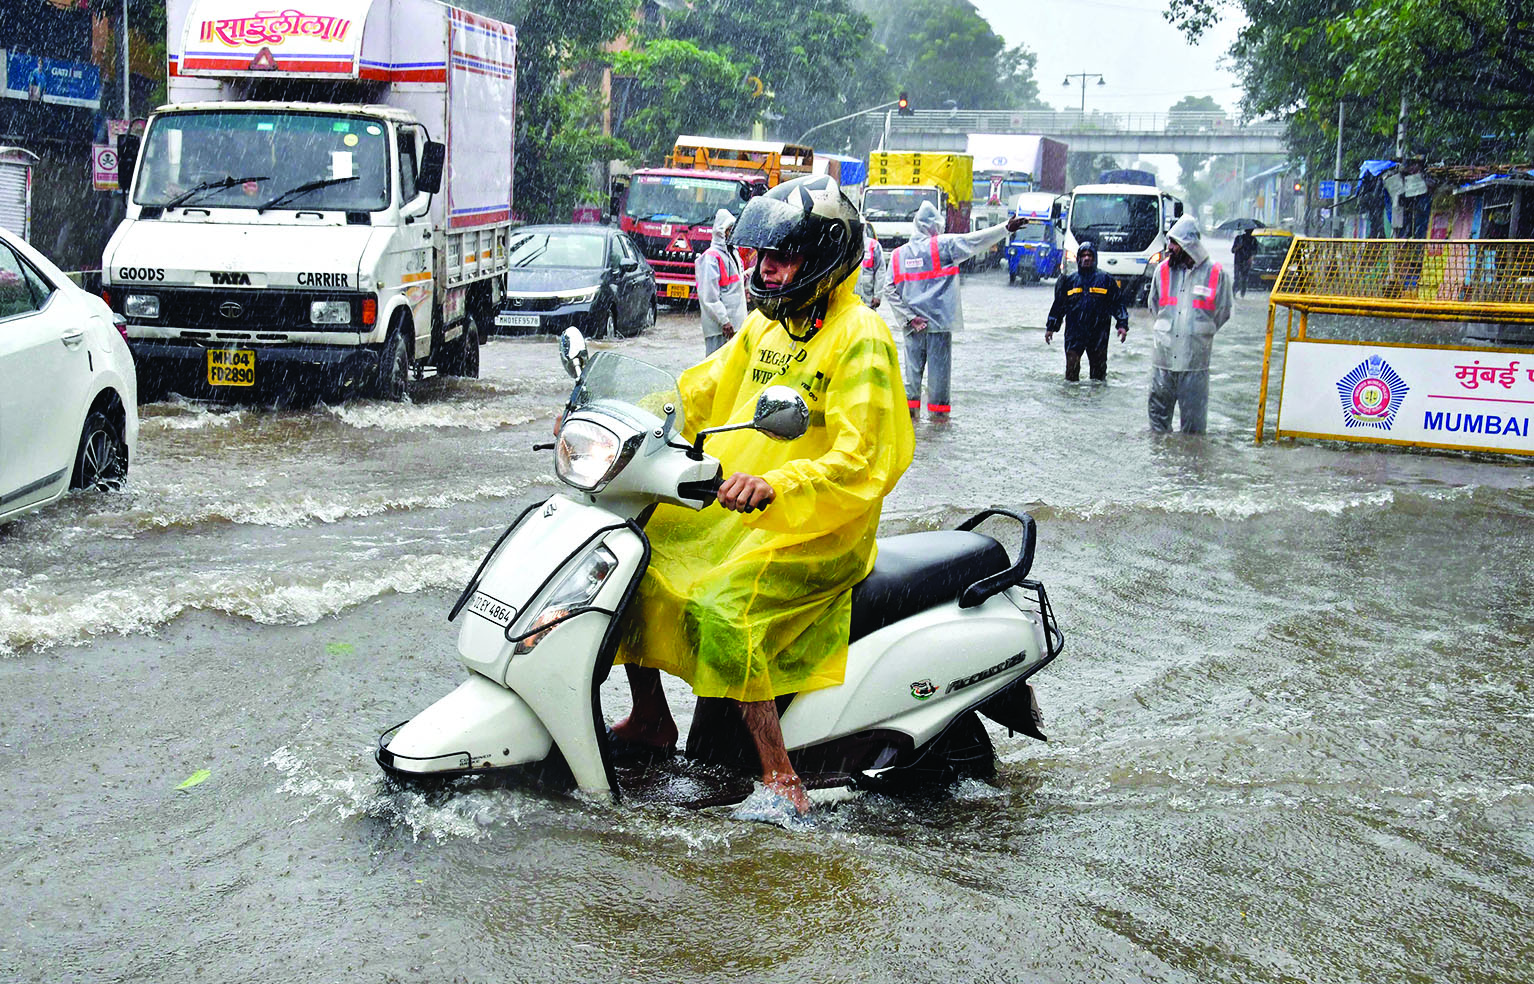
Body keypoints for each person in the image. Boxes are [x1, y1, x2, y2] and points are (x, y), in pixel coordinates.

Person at [609, 175, 915, 815]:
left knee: (726, 611)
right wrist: (613, 420)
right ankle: (650, 717)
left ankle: (780, 777)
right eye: (762, 256)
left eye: (782, 257)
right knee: (630, 560)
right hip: (737, 513)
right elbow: (695, 393)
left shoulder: (861, 336)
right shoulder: (763, 331)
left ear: (826, 256)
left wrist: (778, 483)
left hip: (819, 529)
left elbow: (865, 459)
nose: (766, 270)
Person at [882, 201, 1024, 417]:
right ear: (934, 226)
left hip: (913, 327)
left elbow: (889, 289)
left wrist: (910, 318)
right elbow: (975, 241)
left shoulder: (898, 255)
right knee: (939, 384)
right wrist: (1005, 228)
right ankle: (939, 431)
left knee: (911, 381)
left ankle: (912, 428)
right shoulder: (942, 246)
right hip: (938, 325)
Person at [1147, 215, 1232, 434]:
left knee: (1193, 431)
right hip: (1163, 361)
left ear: (1188, 245)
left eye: (1175, 243)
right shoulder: (1162, 271)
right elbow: (1154, 307)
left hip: (1195, 363)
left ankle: (1189, 467)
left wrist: (1198, 333)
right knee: (1157, 426)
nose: (1170, 248)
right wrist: (1169, 330)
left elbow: (1222, 312)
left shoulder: (1216, 273)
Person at [1043, 240, 1128, 381]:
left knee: (1098, 377)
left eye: (1090, 255)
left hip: (1098, 334)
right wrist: (1051, 327)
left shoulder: (1106, 280)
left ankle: (1095, 402)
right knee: (1071, 372)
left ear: (1095, 258)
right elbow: (1059, 306)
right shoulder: (1069, 281)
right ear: (1078, 259)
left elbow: (1118, 304)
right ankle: (1072, 401)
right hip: (1074, 333)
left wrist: (1122, 325)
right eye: (1083, 255)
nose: (1087, 258)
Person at [695, 208, 747, 355]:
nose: (731, 234)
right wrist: (724, 320)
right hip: (720, 328)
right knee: (715, 367)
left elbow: (735, 283)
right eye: (728, 230)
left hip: (735, 325)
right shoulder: (711, 257)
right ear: (720, 231)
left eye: (733, 230)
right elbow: (709, 296)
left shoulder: (733, 253)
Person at [856, 227, 885, 309]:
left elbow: (880, 271)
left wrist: (878, 295)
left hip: (868, 299)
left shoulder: (873, 245)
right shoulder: (848, 244)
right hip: (851, 299)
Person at [1231, 228, 1257, 297]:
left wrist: (1251, 258)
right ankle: (1233, 293)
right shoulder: (1238, 238)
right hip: (1238, 261)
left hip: (1246, 262)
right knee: (1237, 278)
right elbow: (1233, 250)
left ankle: (1242, 294)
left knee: (1244, 279)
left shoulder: (1253, 240)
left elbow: (1255, 251)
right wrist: (1238, 247)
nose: (1250, 233)